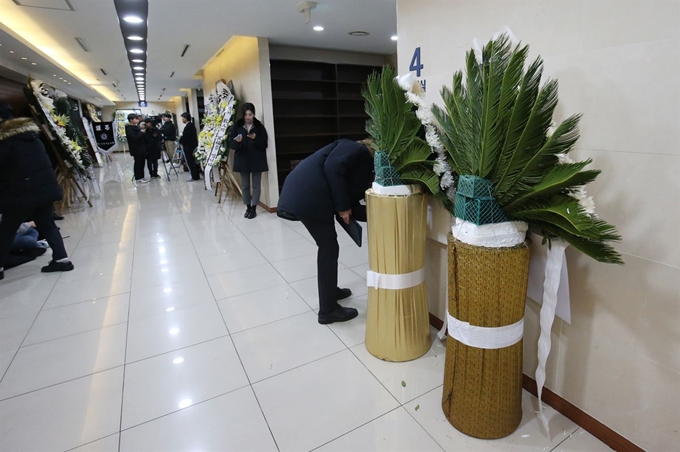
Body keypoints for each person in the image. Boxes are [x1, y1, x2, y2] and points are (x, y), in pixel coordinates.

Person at [277, 139, 374, 324]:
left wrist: (379, 212)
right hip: (309, 196)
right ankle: (328, 310)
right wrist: (343, 206)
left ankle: (330, 292)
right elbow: (333, 168)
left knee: (329, 246)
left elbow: (349, 203)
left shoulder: (351, 159)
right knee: (328, 248)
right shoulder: (357, 150)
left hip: (308, 194)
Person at [0, 103, 74, 280]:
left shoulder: (6, 141)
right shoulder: (32, 136)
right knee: (47, 223)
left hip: (20, 193)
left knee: (7, 229)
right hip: (44, 189)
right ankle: (62, 259)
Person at [228, 103, 268, 219]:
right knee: (245, 185)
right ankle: (248, 207)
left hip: (257, 159)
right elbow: (231, 144)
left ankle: (254, 208)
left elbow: (264, 144)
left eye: (250, 114)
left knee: (256, 185)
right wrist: (238, 142)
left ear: (253, 114)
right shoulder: (237, 126)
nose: (248, 117)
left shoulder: (259, 126)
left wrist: (255, 139)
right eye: (246, 115)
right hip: (243, 159)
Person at [125, 113, 147, 183]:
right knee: (138, 163)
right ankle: (138, 177)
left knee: (142, 163)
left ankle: (142, 177)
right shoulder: (129, 128)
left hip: (141, 148)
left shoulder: (136, 126)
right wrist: (141, 132)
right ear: (131, 120)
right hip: (136, 149)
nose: (137, 120)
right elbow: (134, 138)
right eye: (135, 119)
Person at [179, 112, 200, 182]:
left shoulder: (188, 126)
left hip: (189, 147)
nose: (182, 120)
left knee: (191, 162)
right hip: (191, 146)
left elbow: (185, 137)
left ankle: (194, 176)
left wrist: (180, 140)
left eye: (182, 118)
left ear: (185, 118)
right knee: (193, 162)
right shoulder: (191, 126)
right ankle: (195, 175)